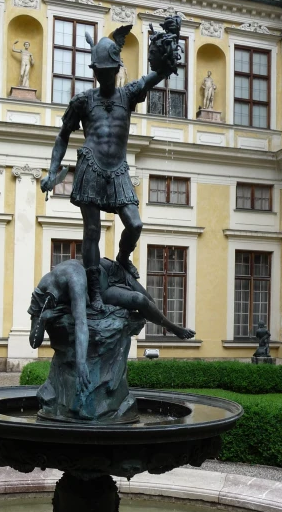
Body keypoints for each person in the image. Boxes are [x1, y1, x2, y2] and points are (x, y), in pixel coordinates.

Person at [40, 21, 179, 311]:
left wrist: (169, 44)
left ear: (116, 70)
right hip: (90, 166)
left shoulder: (128, 95)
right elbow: (62, 135)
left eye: (110, 72)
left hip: (118, 170)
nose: (106, 76)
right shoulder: (82, 101)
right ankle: (95, 292)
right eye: (101, 72)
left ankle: (123, 257)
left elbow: (159, 75)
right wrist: (52, 171)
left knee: (135, 224)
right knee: (91, 231)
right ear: (95, 72)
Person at [28, 259, 90, 392]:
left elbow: (81, 321)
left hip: (98, 280)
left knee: (137, 299)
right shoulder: (40, 294)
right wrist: (43, 319)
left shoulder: (74, 278)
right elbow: (34, 342)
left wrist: (81, 363)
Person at [99, 258, 195, 339]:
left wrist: (124, 261)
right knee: (140, 300)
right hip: (102, 289)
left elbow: (127, 243)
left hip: (113, 269)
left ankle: (168, 325)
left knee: (150, 303)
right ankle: (173, 327)